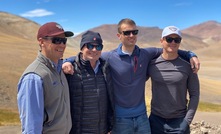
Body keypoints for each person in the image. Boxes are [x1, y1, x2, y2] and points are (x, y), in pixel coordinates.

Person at [62, 18, 200, 134]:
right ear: (119, 36)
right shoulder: (109, 56)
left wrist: (190, 55)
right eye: (127, 32)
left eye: (134, 32)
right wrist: (67, 61)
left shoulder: (146, 54)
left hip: (142, 118)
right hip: (120, 119)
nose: (131, 35)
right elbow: (88, 55)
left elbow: (171, 48)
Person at [17, 22, 74, 134]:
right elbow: (31, 127)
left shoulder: (58, 70)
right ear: (41, 41)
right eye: (56, 40)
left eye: (64, 41)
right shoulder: (34, 77)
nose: (62, 45)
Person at [148, 26, 200, 134]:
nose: (173, 42)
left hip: (179, 121)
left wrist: (187, 121)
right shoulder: (152, 64)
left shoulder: (189, 66)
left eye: (177, 40)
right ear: (161, 40)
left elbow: (194, 95)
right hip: (156, 121)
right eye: (169, 39)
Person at [65, 30, 114, 134]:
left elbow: (109, 100)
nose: (94, 50)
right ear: (82, 48)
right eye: (90, 46)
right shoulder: (71, 70)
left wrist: (110, 125)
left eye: (98, 47)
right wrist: (66, 61)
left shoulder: (105, 68)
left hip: (103, 130)